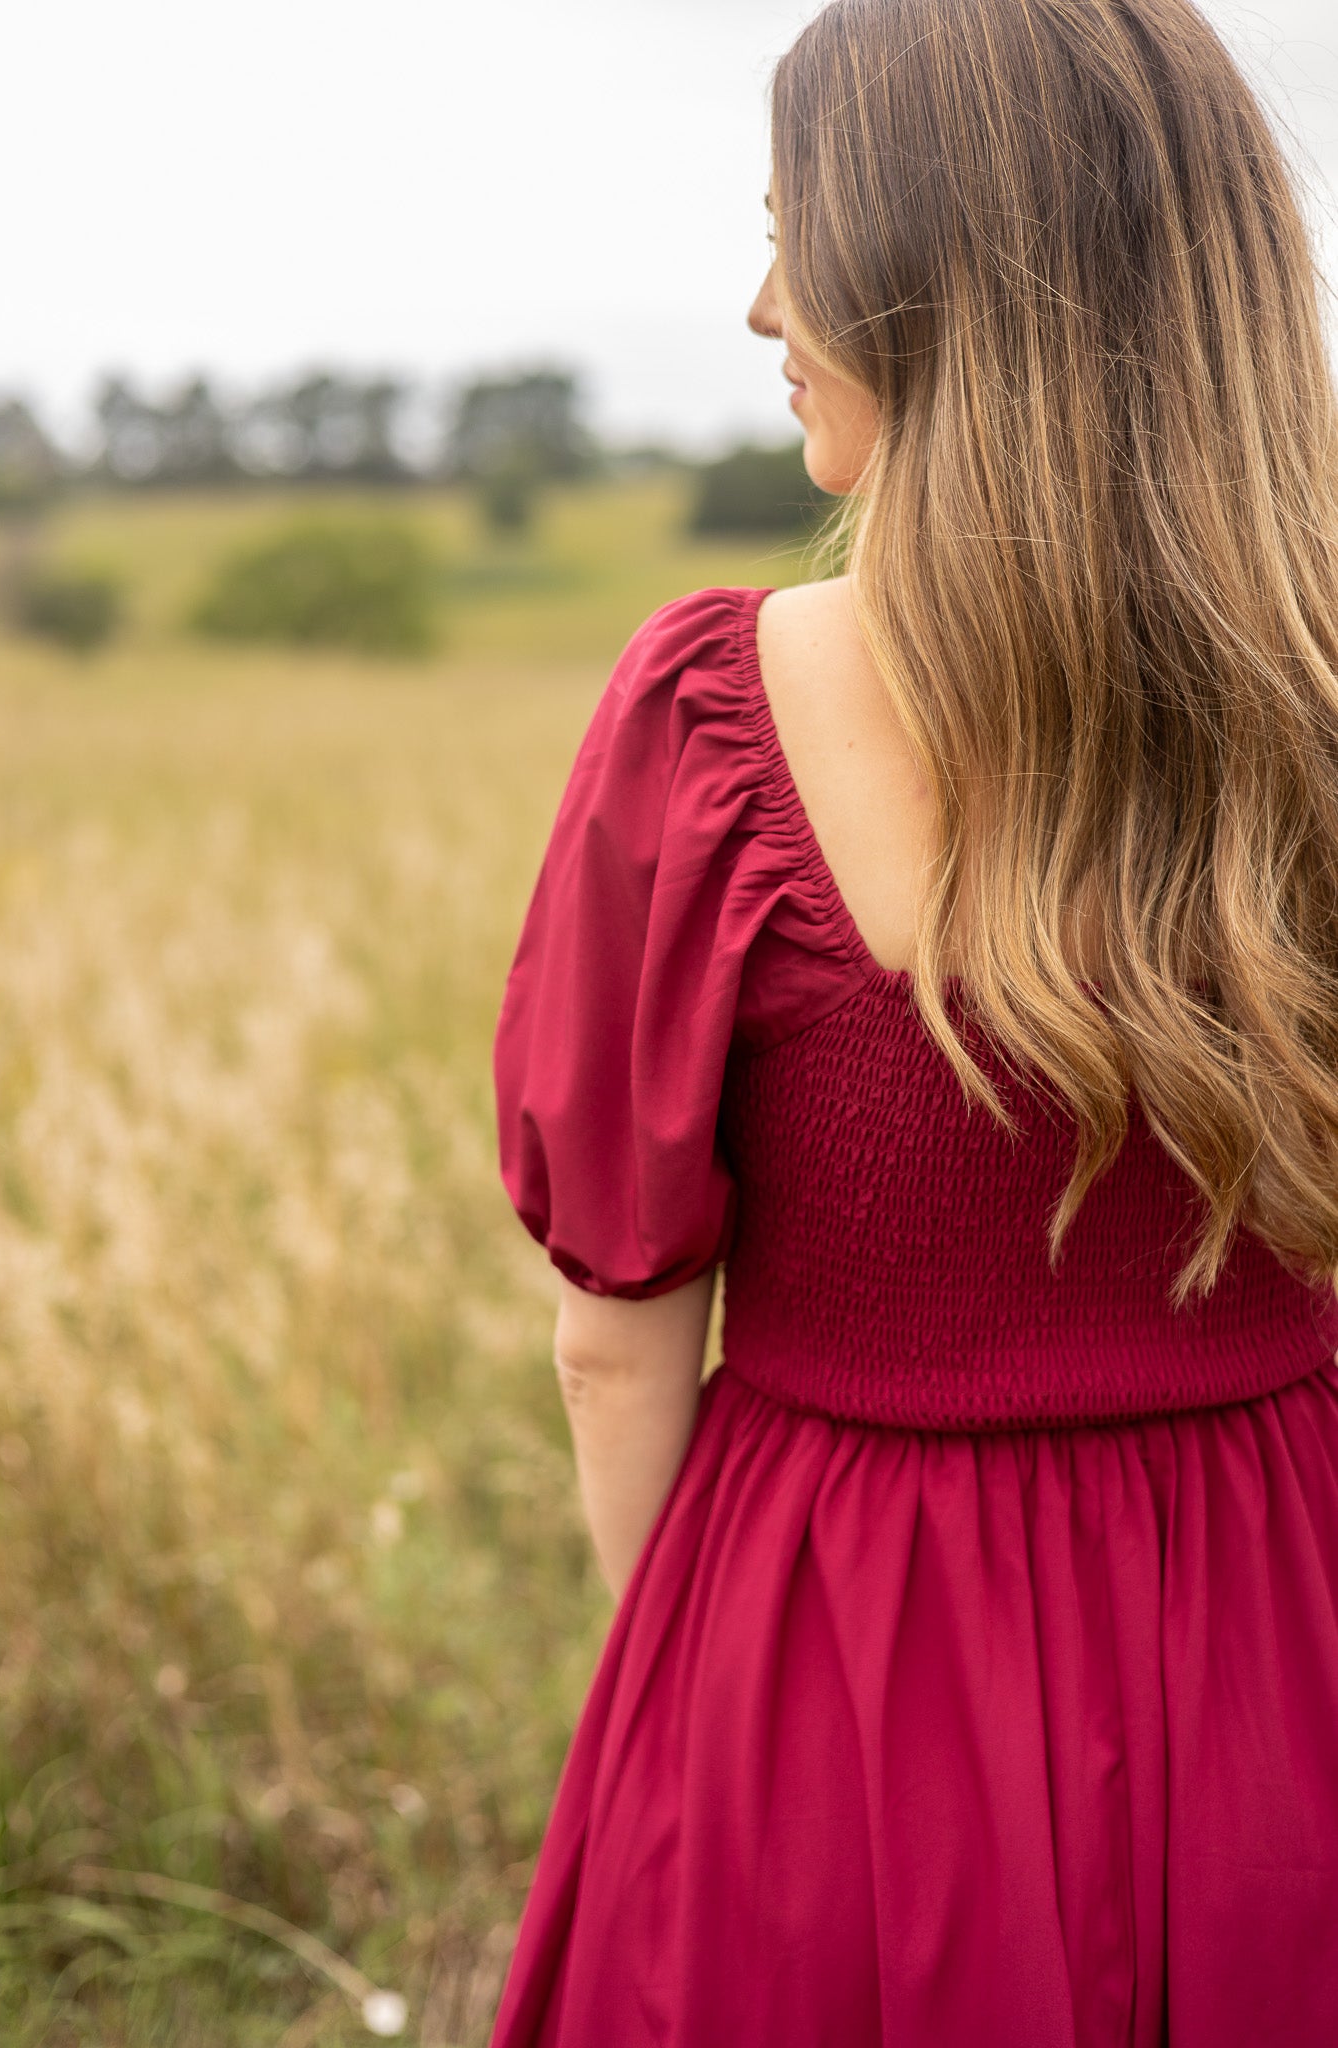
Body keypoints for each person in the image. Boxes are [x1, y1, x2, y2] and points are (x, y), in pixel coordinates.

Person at [488, 0, 1338, 2040]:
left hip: (831, 1672)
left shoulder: (705, 721)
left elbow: (617, 1340)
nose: (764, 300)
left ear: (943, 276)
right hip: (1287, 1645)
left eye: (803, 231)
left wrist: (701, 1694)